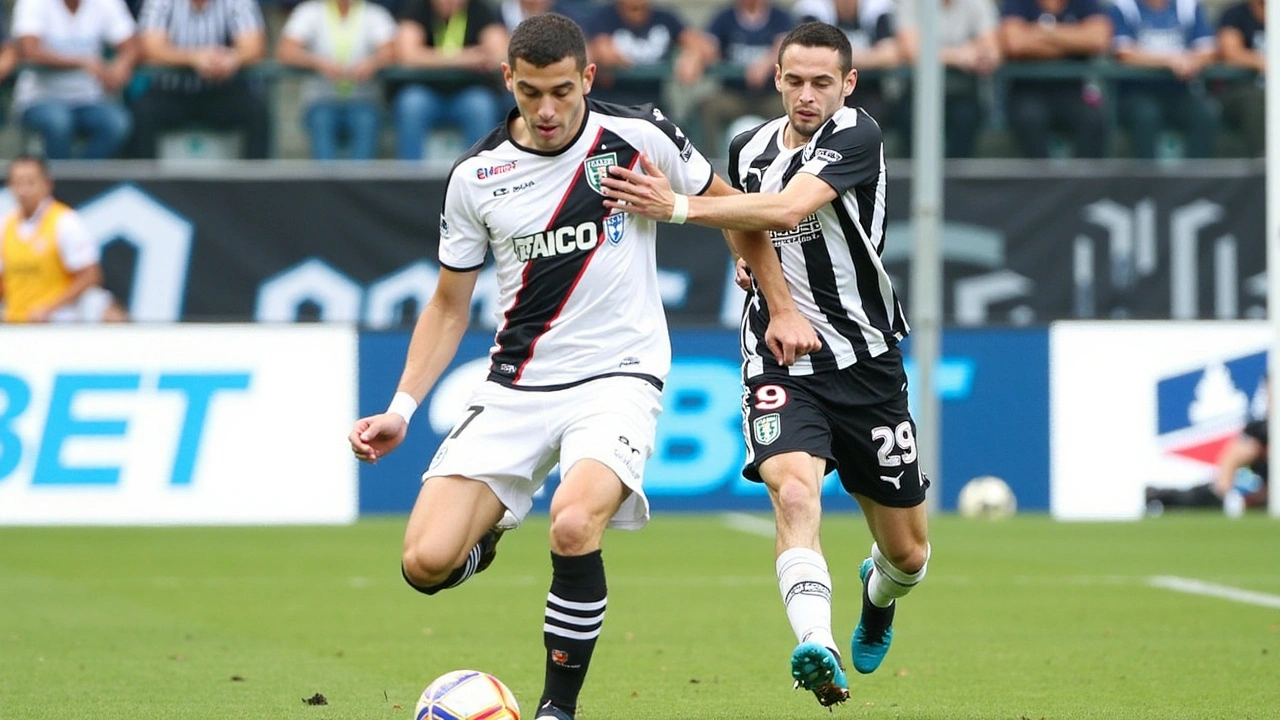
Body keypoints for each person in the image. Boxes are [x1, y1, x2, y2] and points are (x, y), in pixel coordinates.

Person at [347, 13, 809, 720]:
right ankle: (490, 533)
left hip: (618, 375)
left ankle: (556, 710)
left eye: (562, 90)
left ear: (588, 78)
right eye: (531, 93)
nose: (549, 108)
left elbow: (731, 207)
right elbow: (446, 307)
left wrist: (778, 303)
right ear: (508, 81)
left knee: (571, 524)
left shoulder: (637, 135)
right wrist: (402, 408)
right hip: (517, 384)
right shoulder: (475, 177)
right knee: (425, 565)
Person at [599, 21, 930, 708]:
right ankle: (818, 643)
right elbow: (743, 226)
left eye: (822, 83)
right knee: (795, 493)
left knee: (909, 555)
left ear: (848, 84)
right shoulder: (749, 144)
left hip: (865, 362)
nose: (807, 96)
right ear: (776, 78)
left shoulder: (855, 136)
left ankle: (878, 596)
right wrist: (758, 283)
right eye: (795, 81)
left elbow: (784, 210)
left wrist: (678, 206)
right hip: (779, 357)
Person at [131, 0, 270, 159]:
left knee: (256, 111)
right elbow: (149, 48)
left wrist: (233, 58)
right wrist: (193, 58)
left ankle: (253, 182)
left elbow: (255, 47)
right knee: (142, 110)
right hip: (171, 93)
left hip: (220, 92)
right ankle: (145, 181)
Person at [0, 154, 121, 323]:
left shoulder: (64, 222)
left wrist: (49, 308)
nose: (24, 191)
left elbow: (90, 275)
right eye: (18, 183)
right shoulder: (5, 225)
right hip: (16, 322)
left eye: (31, 183)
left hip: (56, 324)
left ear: (47, 184)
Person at [10, 0, 138, 160]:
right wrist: (81, 62)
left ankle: (79, 179)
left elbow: (131, 45)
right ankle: (60, 180)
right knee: (59, 122)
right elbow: (28, 50)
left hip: (90, 99)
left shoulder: (106, 3)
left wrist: (120, 69)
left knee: (118, 123)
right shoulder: (34, 3)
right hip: (39, 99)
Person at [277, 0, 397, 161]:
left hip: (363, 101)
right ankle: (326, 184)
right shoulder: (309, 11)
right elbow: (285, 51)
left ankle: (360, 183)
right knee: (322, 120)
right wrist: (318, 62)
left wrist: (373, 62)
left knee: (366, 121)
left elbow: (392, 51)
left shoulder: (375, 14)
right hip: (321, 101)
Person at [390, 0, 508, 161]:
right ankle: (411, 175)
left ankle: (479, 171)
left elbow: (498, 52)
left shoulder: (479, 10)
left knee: (481, 106)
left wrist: (430, 57)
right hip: (426, 92)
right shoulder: (417, 8)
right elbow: (407, 55)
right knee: (411, 104)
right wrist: (465, 58)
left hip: (468, 93)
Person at [999, 0, 1112, 159]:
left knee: (1093, 119)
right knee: (1029, 119)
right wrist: (1073, 42)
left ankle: (1083, 183)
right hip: (1027, 91)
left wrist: (1044, 31)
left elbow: (1098, 39)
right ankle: (1043, 183)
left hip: (1073, 90)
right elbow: (1015, 43)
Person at [1108, 0, 1217, 159]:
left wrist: (1191, 61)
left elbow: (1208, 51)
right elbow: (1124, 54)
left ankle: (1196, 181)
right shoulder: (1123, 7)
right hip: (1135, 93)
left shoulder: (1188, 6)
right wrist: (1169, 61)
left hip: (1180, 91)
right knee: (1146, 115)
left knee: (1206, 115)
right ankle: (1148, 181)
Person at [1216, 0, 1265, 156]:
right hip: (1241, 90)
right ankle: (1262, 162)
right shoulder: (1235, 14)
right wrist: (1261, 62)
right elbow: (1230, 53)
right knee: (1256, 100)